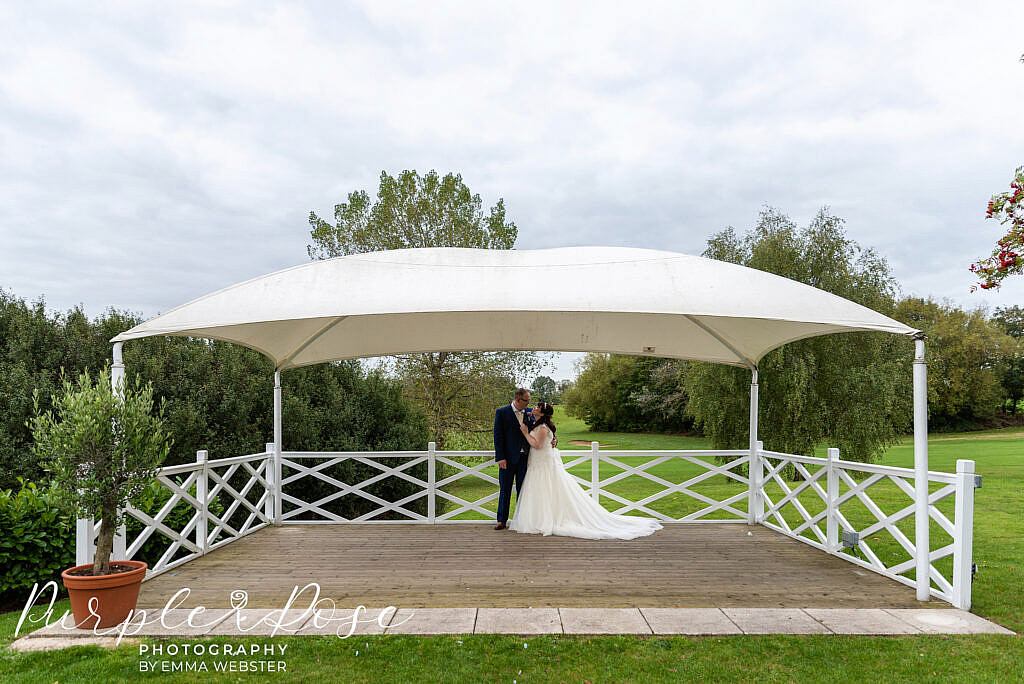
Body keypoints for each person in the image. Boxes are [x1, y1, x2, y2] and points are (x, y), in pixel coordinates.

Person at [509, 402, 663, 540]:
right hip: (538, 461)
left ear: (542, 413)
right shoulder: (537, 421)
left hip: (542, 462)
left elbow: (537, 445)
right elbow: (536, 425)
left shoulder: (542, 427)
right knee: (540, 490)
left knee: (547, 488)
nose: (533, 408)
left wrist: (524, 432)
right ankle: (538, 518)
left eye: (537, 407)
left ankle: (547, 520)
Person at [492, 388, 534, 530]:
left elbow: (542, 428)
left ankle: (520, 520)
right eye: (526, 400)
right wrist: (500, 457)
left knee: (523, 491)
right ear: (518, 400)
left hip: (525, 459)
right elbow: (498, 437)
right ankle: (501, 520)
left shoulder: (529, 414)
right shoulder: (502, 412)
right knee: (505, 489)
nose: (529, 403)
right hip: (507, 459)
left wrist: (554, 440)